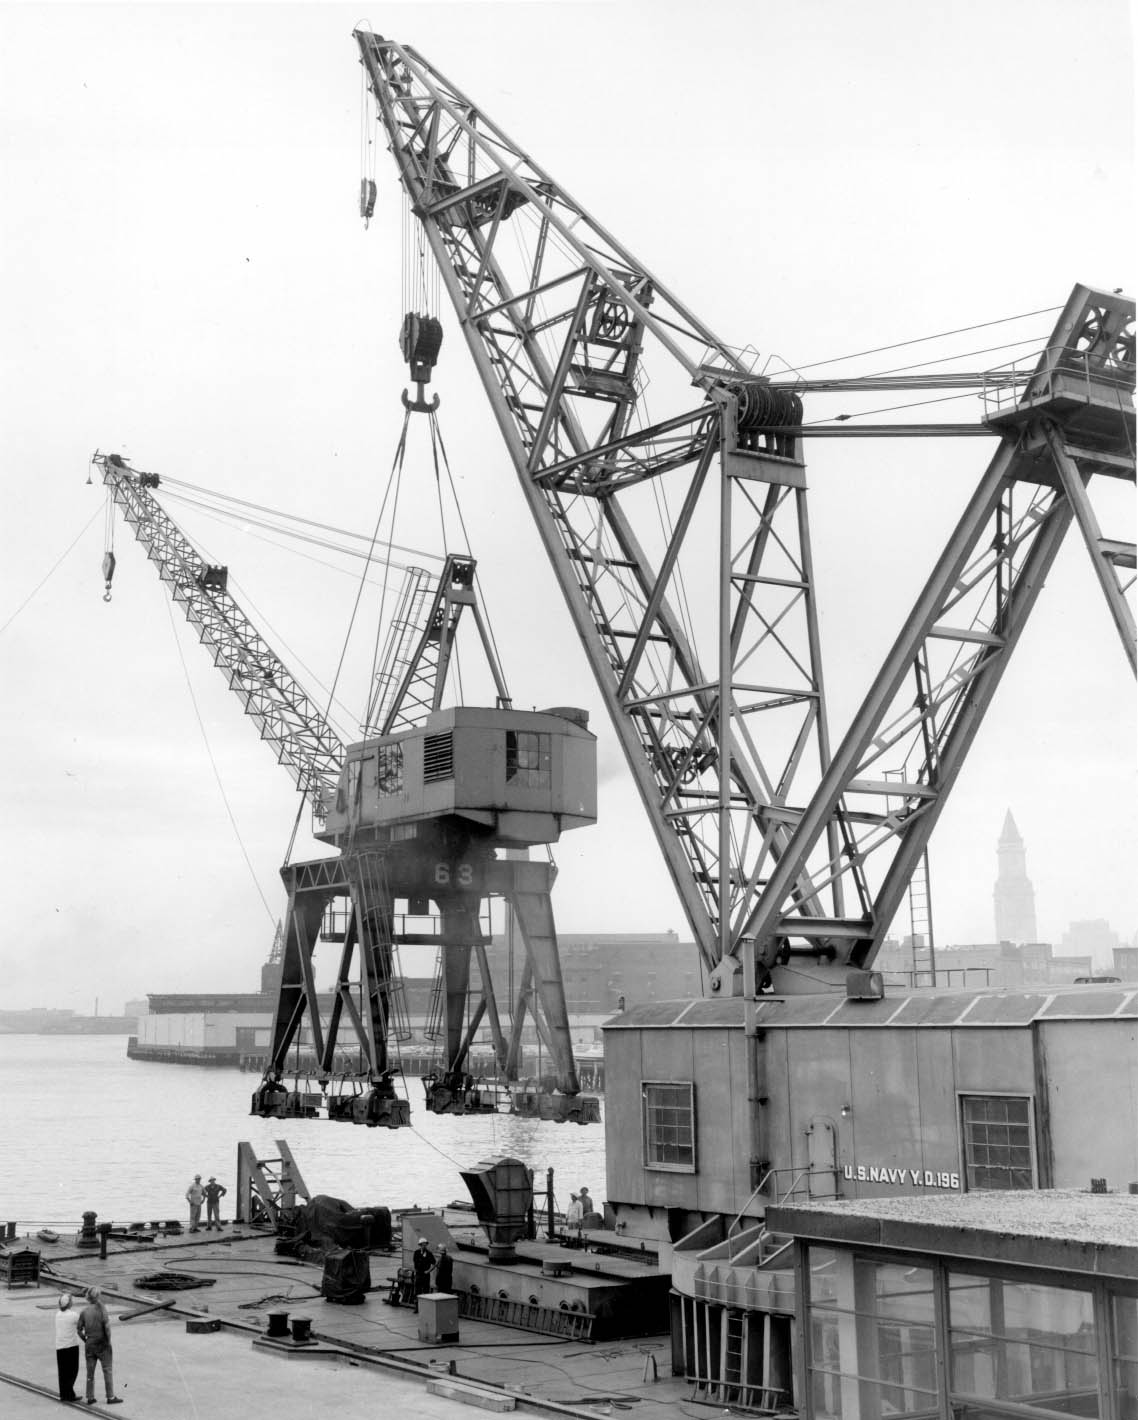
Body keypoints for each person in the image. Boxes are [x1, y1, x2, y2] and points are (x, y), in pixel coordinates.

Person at [77, 1285, 121, 1405]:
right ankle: (110, 1396)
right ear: (98, 1296)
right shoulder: (102, 1309)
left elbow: (79, 1330)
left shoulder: (84, 1312)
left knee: (90, 1372)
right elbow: (107, 1327)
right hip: (102, 1343)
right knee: (107, 1370)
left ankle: (90, 1397)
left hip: (90, 1343)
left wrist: (86, 1340)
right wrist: (108, 1341)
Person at [54, 1293, 80, 1403]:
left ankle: (64, 1394)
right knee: (73, 1370)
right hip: (71, 1345)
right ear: (69, 1303)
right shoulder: (73, 1315)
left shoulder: (57, 1314)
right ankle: (69, 1394)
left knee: (63, 1372)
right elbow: (81, 1325)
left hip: (60, 1346)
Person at [411, 1236, 435, 1307]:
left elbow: (434, 1263)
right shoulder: (416, 1253)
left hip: (426, 1275)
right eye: (423, 1244)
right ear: (420, 1245)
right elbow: (415, 1263)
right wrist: (415, 1271)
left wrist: (428, 1271)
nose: (424, 1246)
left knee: (426, 1290)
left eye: (425, 1244)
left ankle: (425, 1307)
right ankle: (417, 1307)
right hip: (418, 1274)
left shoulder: (429, 1253)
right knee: (417, 1291)